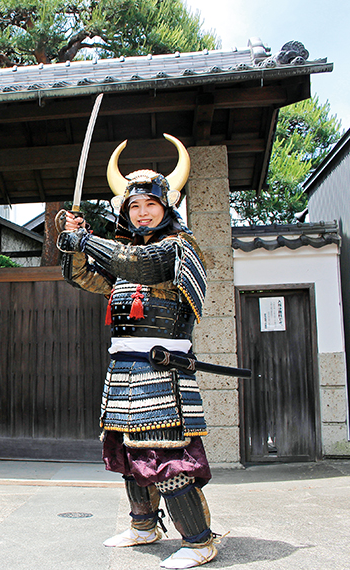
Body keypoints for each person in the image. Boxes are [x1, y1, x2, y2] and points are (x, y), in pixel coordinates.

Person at [56, 134, 219, 569]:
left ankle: (200, 541)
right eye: (134, 206)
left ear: (167, 208)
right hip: (124, 371)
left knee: (165, 456)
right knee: (130, 455)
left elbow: (140, 265)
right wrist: (72, 243)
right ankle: (143, 527)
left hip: (162, 371)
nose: (142, 213)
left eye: (150, 205)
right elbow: (84, 279)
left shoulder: (179, 248)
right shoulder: (120, 256)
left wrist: (87, 239)